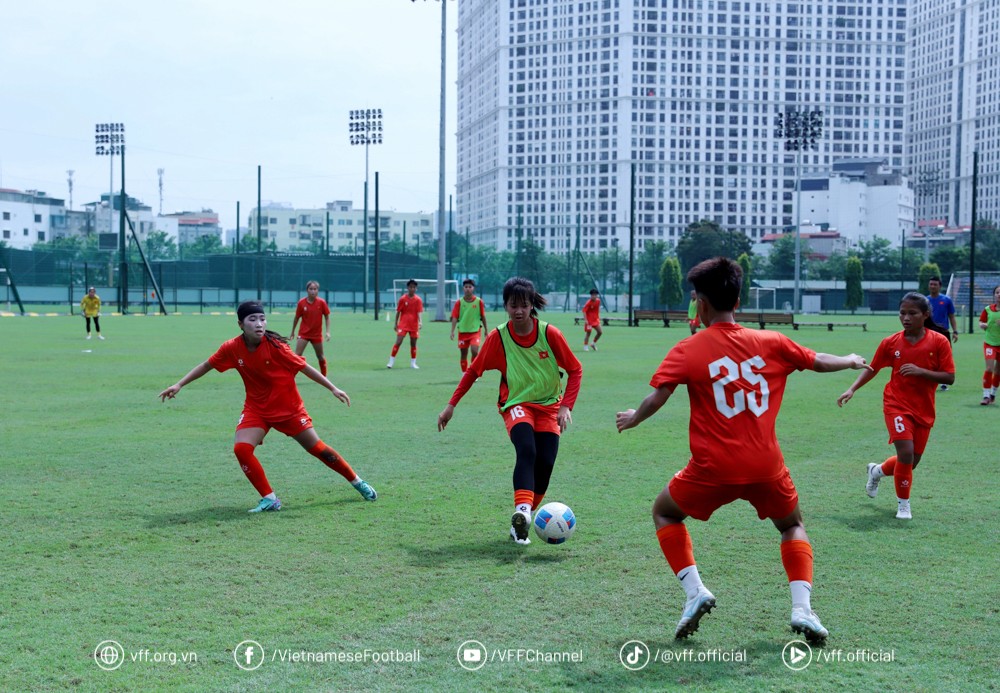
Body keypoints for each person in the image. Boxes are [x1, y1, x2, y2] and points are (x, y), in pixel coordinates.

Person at [615, 257, 870, 643]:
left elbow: (659, 396)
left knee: (665, 512)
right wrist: (850, 360)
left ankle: (695, 592)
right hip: (766, 466)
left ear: (700, 303)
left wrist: (634, 417)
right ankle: (802, 609)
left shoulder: (688, 348)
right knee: (791, 525)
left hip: (712, 469)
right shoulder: (772, 342)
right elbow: (817, 361)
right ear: (738, 298)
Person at [159, 301, 377, 512]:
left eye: (262, 319)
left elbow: (304, 367)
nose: (259, 324)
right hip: (257, 409)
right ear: (240, 325)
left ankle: (357, 482)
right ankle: (270, 499)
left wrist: (333, 388)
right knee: (241, 449)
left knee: (318, 450)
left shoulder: (276, 346)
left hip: (289, 409)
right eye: (252, 319)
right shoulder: (232, 348)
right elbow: (207, 365)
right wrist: (179, 384)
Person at [438, 277, 583, 545]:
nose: (518, 311)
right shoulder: (498, 337)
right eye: (513, 305)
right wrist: (451, 405)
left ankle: (523, 522)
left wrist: (566, 406)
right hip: (516, 405)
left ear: (532, 306)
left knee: (546, 464)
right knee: (527, 450)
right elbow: (473, 371)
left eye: (524, 305)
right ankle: (523, 512)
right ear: (505, 305)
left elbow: (575, 370)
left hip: (549, 407)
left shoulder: (550, 334)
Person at [837, 293, 955, 520]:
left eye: (913, 313)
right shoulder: (891, 343)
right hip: (896, 404)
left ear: (926, 315)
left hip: (924, 408)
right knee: (906, 453)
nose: (906, 318)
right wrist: (852, 389)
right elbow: (873, 367)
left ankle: (876, 471)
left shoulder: (939, 341)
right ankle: (903, 506)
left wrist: (921, 372)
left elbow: (949, 377)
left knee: (912, 462)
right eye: (902, 313)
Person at [291, 280, 331, 376]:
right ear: (307, 290)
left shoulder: (321, 302)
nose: (313, 291)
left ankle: (324, 377)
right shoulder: (301, 303)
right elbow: (296, 318)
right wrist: (293, 332)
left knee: (320, 356)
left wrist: (328, 332)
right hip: (303, 334)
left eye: (315, 289)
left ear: (318, 290)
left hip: (316, 334)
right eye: (311, 289)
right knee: (297, 355)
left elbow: (327, 316)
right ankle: (291, 375)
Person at [449, 278, 488, 373]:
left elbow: (483, 316)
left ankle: (473, 372)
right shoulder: (459, 302)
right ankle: (464, 374)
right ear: (463, 288)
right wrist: (452, 331)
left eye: (470, 287)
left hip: (475, 331)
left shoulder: (479, 301)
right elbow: (454, 317)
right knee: (463, 353)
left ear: (473, 288)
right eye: (466, 287)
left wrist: (486, 330)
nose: (468, 289)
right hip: (462, 331)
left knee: (474, 351)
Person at [926, 276, 957, 390]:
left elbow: (951, 316)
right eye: (931, 284)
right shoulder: (925, 300)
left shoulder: (946, 300)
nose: (932, 286)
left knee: (945, 356)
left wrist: (955, 331)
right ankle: (930, 378)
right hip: (929, 332)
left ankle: (944, 381)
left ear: (940, 286)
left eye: (935, 284)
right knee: (929, 355)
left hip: (943, 332)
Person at [387, 279, 423, 369]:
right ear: (408, 288)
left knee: (413, 343)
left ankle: (413, 363)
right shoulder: (402, 299)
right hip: (403, 324)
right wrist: (395, 323)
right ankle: (391, 362)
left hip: (414, 325)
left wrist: (420, 322)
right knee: (398, 342)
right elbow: (398, 312)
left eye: (414, 287)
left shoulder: (418, 300)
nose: (412, 289)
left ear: (416, 288)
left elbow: (419, 312)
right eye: (410, 287)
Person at [978, 285, 1000, 405]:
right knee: (989, 368)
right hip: (990, 343)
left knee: (998, 371)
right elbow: (981, 321)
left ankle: (993, 394)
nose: (999, 295)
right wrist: (982, 325)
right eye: (997, 292)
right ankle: (985, 396)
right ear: (994, 295)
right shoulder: (988, 309)